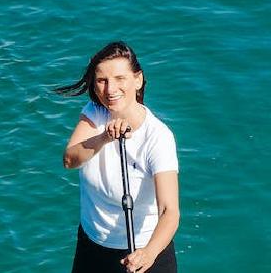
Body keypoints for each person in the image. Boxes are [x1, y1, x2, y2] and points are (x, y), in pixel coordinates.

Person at [56, 41, 179, 273]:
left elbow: (169, 211)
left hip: (143, 252)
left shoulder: (158, 137)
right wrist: (104, 138)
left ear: (138, 79)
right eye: (102, 81)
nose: (110, 89)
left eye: (120, 78)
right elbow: (69, 160)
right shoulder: (94, 113)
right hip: (92, 248)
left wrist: (148, 254)